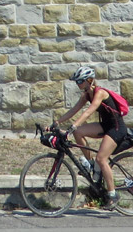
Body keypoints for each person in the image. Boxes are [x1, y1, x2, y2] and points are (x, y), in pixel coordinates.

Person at [54, 65, 128, 210]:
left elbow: (88, 112)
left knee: (101, 158)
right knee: (78, 133)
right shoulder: (86, 94)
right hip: (105, 125)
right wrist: (57, 122)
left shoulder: (99, 93)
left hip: (117, 128)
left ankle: (113, 195)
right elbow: (74, 110)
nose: (78, 84)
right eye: (77, 82)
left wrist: (74, 125)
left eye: (80, 81)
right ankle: (90, 164)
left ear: (89, 80)